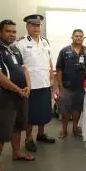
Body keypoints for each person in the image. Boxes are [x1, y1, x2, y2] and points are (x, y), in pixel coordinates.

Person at [0, 20, 35, 171]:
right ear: (0, 31)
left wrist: (28, 86)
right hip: (3, 98)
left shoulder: (15, 49)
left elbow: (24, 68)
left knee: (18, 126)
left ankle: (16, 152)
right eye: (8, 31)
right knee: (1, 132)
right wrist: (18, 89)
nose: (12, 34)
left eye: (14, 32)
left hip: (21, 95)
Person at [16, 14, 55, 153]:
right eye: (33, 25)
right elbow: (19, 66)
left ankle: (40, 134)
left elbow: (49, 61)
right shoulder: (21, 44)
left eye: (38, 25)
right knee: (30, 114)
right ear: (27, 26)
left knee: (44, 111)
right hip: (31, 85)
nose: (36, 28)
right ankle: (28, 138)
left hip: (44, 83)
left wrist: (52, 79)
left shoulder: (45, 42)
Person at [56, 29, 86, 138]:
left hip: (82, 87)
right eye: (76, 36)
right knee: (65, 110)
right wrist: (60, 86)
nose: (78, 38)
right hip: (66, 86)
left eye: (81, 36)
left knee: (77, 109)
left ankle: (75, 128)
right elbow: (59, 69)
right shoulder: (64, 51)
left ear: (83, 38)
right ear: (72, 37)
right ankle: (64, 129)